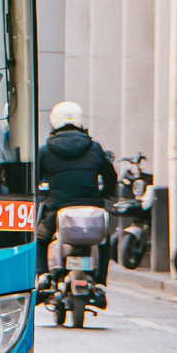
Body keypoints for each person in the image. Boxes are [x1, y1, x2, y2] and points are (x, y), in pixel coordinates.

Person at [40, 100, 117, 283]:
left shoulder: (45, 151)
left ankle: (43, 275)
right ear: (80, 121)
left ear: (54, 122)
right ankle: (100, 282)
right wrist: (105, 195)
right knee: (103, 240)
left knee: (41, 238)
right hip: (91, 209)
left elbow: (34, 178)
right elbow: (110, 176)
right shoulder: (95, 148)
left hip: (57, 210)